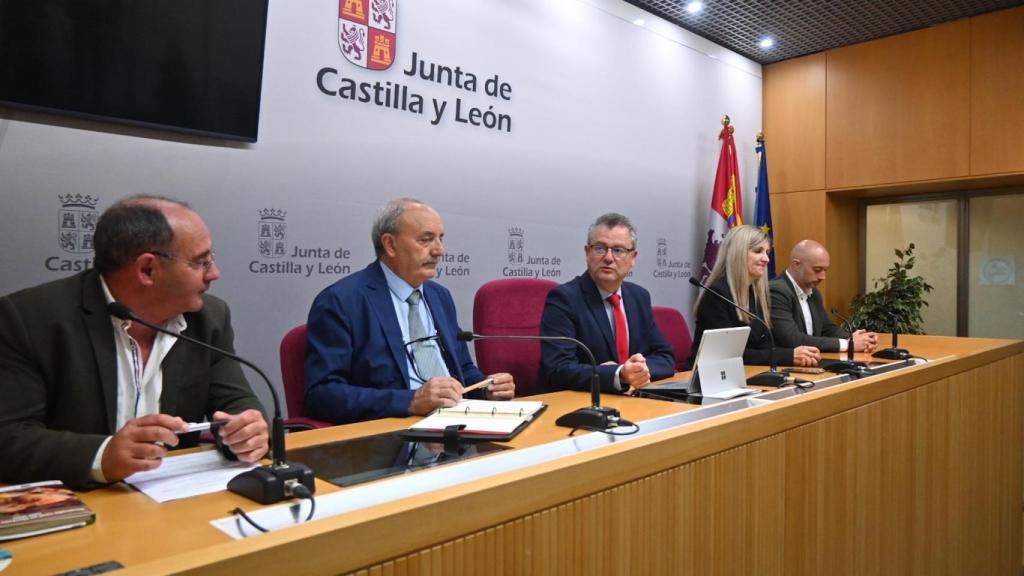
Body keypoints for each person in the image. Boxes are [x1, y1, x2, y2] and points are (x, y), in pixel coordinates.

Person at [0, 196, 269, 489]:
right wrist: (102, 456)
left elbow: (236, 403)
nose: (214, 274)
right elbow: (9, 437)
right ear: (147, 270)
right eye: (200, 262)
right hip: (75, 502)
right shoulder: (28, 319)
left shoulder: (209, 318)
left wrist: (246, 432)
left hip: (175, 502)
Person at [305, 198, 515, 424]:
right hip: (393, 432)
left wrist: (485, 386)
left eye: (441, 239)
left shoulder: (439, 296)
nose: (439, 251)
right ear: (390, 245)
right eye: (426, 240)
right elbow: (322, 394)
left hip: (457, 421)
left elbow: (462, 368)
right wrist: (410, 400)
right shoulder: (341, 301)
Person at [539, 213, 675, 393]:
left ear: (633, 257)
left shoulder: (639, 297)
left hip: (632, 401)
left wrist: (637, 371)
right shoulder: (564, 299)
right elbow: (558, 369)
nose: (609, 258)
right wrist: (617, 374)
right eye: (600, 248)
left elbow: (665, 357)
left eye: (618, 250)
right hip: (580, 405)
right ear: (587, 252)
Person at [687, 225, 821, 369]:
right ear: (737, 254)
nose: (766, 259)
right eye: (758, 251)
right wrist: (788, 356)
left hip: (745, 373)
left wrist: (795, 355)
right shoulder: (717, 294)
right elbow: (729, 354)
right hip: (709, 377)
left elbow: (764, 346)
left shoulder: (756, 294)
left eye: (767, 252)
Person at [770, 240, 879, 352]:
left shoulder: (813, 292)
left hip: (812, 361)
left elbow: (827, 329)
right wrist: (848, 344)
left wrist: (855, 338)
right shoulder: (777, 291)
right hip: (784, 365)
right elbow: (793, 339)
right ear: (797, 265)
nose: (823, 277)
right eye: (817, 270)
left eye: (825, 270)